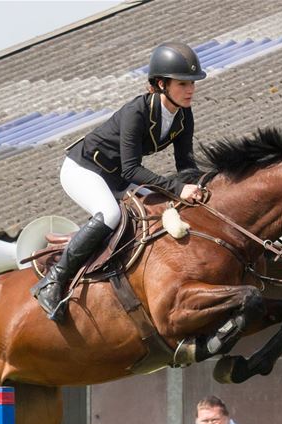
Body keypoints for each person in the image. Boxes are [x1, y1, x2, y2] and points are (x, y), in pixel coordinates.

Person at [32, 41, 207, 322]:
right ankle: (52, 281)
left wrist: (200, 189)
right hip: (83, 169)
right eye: (183, 83)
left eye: (193, 83)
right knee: (111, 214)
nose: (190, 90)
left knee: (158, 207)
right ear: (161, 84)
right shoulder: (136, 112)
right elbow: (131, 170)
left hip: (115, 174)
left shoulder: (183, 116)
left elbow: (185, 165)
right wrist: (177, 188)